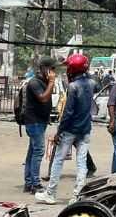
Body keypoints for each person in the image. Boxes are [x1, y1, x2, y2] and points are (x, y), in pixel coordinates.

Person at [38, 54, 95, 203]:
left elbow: (68, 112)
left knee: (58, 160)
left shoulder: (73, 86)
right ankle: (77, 195)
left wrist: (59, 132)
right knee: (82, 163)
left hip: (70, 129)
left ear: (73, 69)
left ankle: (50, 193)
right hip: (85, 129)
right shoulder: (91, 83)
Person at [22, 58, 56, 193]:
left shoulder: (43, 82)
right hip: (34, 121)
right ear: (44, 68)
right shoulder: (34, 82)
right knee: (39, 151)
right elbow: (43, 98)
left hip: (40, 121)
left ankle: (29, 182)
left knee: (32, 152)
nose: (54, 72)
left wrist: (50, 82)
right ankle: (35, 184)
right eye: (52, 69)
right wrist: (52, 82)